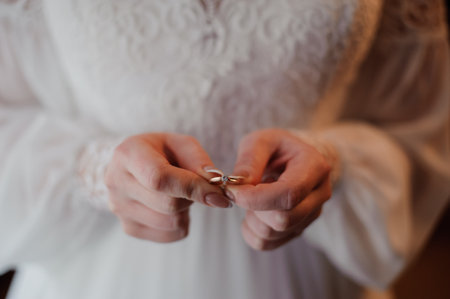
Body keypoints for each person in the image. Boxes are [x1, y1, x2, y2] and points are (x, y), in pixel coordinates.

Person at [0, 0, 448, 298]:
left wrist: (335, 161)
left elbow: (421, 128)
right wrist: (94, 171)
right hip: (90, 267)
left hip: (308, 267)